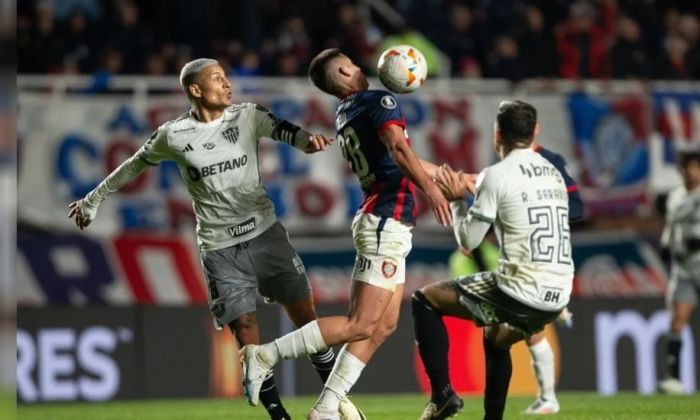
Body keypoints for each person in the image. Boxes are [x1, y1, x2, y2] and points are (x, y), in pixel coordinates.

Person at [67, 58, 364, 420]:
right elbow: (132, 164)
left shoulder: (247, 115)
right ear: (195, 89)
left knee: (306, 317)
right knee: (246, 333)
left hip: (266, 234)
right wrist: (92, 200)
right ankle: (279, 417)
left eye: (226, 77)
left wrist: (308, 141)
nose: (227, 84)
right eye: (217, 78)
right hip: (220, 248)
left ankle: (337, 403)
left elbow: (285, 130)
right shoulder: (173, 135)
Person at [239, 48, 451, 420]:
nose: (359, 66)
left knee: (383, 326)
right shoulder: (379, 101)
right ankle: (264, 355)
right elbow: (399, 150)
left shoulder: (347, 112)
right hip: (385, 218)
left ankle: (325, 408)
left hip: (386, 219)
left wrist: (445, 176)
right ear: (342, 70)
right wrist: (432, 188)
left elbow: (398, 157)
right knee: (361, 323)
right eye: (352, 62)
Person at [412, 100, 574, 420]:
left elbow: (468, 242)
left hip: (521, 288)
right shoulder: (554, 173)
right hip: (559, 292)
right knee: (496, 337)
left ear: (496, 134)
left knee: (424, 300)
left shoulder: (496, 174)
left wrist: (457, 200)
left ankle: (442, 395)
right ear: (534, 133)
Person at [658, 148, 700, 395]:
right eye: (684, 167)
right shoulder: (675, 197)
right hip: (684, 269)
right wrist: (666, 244)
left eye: (693, 166)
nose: (688, 172)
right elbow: (671, 227)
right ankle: (673, 378)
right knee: (677, 320)